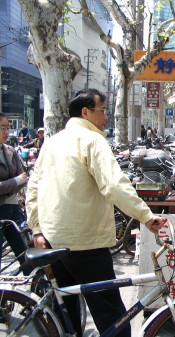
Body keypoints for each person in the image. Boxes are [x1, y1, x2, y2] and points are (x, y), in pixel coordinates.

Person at [25, 89, 164, 337]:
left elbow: (33, 188)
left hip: (52, 239)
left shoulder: (52, 142)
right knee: (111, 315)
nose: (107, 116)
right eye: (103, 110)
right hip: (85, 242)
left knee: (66, 314)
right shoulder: (92, 140)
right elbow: (113, 185)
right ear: (85, 112)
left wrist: (37, 229)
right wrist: (146, 216)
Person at [0, 113, 31, 275]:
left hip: (13, 209)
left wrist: (16, 183)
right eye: (2, 128)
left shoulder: (10, 150)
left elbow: (24, 176)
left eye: (7, 127)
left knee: (25, 255)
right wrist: (16, 181)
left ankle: (38, 293)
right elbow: (19, 179)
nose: (6, 132)